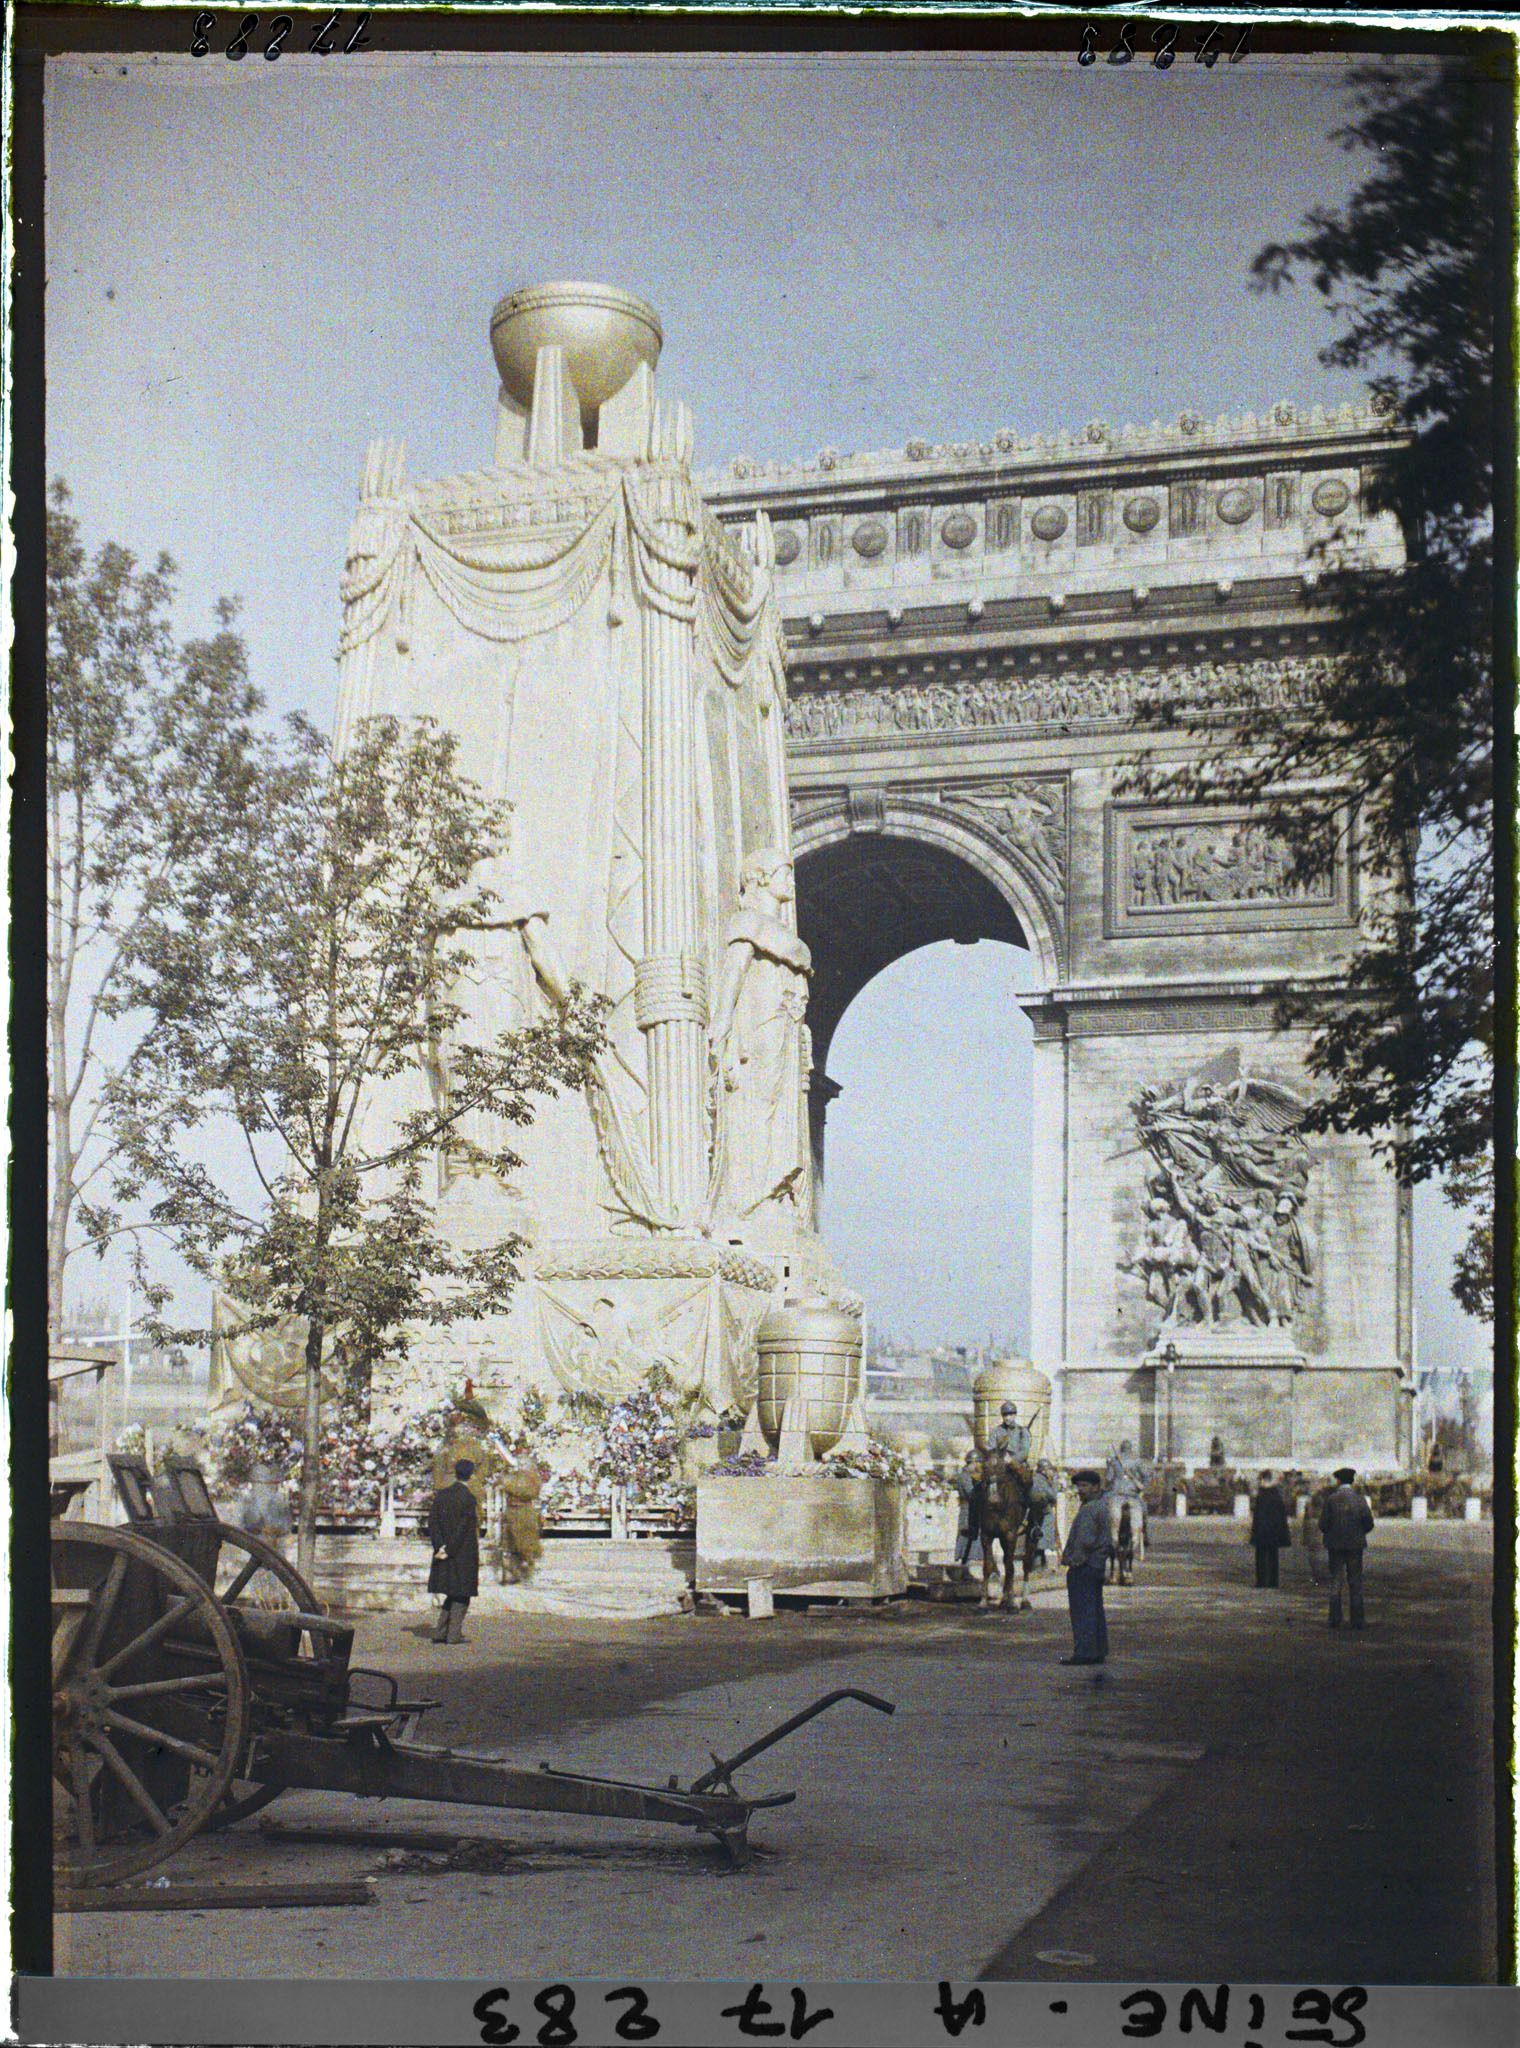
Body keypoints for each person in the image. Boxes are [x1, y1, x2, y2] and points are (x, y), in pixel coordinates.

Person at [1059, 1469, 1112, 1665]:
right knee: (1095, 1609)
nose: (1080, 1490)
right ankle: (1098, 1650)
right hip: (1097, 1565)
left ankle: (1084, 1652)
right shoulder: (1101, 1506)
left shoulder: (1090, 1509)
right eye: (1078, 1486)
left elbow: (1085, 1541)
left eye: (1085, 1486)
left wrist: (1074, 1562)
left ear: (1096, 1487)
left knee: (1083, 1610)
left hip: (1085, 1566)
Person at [427, 1458, 482, 1643]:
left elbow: (433, 1523)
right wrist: (449, 1549)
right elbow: (463, 1529)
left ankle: (441, 1632)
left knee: (452, 1592)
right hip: (462, 1553)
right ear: (471, 1475)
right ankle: (453, 1634)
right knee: (462, 1594)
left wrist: (439, 1547)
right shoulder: (468, 1498)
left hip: (443, 1550)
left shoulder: (441, 1496)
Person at [1319, 1466, 1374, 1630]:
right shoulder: (1360, 1499)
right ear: (1352, 1481)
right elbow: (1369, 1523)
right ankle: (1357, 1620)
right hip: (1355, 1545)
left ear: (1338, 1481)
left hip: (1335, 1545)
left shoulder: (1331, 1499)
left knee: (1336, 1581)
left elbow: (1322, 1524)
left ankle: (1335, 1618)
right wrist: (1358, 1533)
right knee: (1355, 1582)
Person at [499, 1457, 544, 1582]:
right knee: (510, 1544)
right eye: (520, 1463)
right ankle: (514, 1572)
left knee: (525, 1544)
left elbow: (528, 1492)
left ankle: (527, 1571)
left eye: (524, 1463)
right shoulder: (513, 1476)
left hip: (524, 1512)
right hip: (511, 1511)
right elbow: (503, 1483)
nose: (521, 1465)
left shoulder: (533, 1478)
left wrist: (510, 1486)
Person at [1249, 1469, 1292, 1588]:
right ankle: (1273, 1581)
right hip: (1274, 1530)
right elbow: (1281, 1515)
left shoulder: (1261, 1495)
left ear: (1263, 1479)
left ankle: (1261, 1581)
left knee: (1261, 1557)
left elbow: (1257, 1516)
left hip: (1262, 1531)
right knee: (1273, 1556)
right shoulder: (1276, 1494)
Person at [1104, 1438, 1149, 1549]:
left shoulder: (1114, 1461)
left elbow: (1108, 1478)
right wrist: (1142, 1487)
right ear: (1130, 1449)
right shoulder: (1137, 1461)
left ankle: (1112, 1536)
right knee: (1142, 1511)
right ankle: (1140, 1536)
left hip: (1117, 1494)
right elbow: (1146, 1477)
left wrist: (1109, 1465)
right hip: (1132, 1494)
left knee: (1108, 1512)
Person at [953, 1451, 984, 1580]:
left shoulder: (971, 1475)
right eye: (976, 1463)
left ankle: (965, 1571)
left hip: (973, 1510)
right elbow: (971, 1494)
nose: (978, 1466)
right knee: (967, 1539)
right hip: (968, 1511)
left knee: (971, 1541)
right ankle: (965, 1571)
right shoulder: (965, 1476)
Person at [1028, 1459, 1061, 1569]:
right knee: (1042, 1537)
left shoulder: (1036, 1478)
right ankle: (1038, 1563)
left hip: (1036, 1511)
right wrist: (1055, 1483)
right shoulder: (1041, 1480)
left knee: (1038, 1538)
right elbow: (1052, 1495)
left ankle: (1040, 1562)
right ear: (1044, 1470)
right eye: (1050, 1469)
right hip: (1043, 1512)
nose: (1051, 1472)